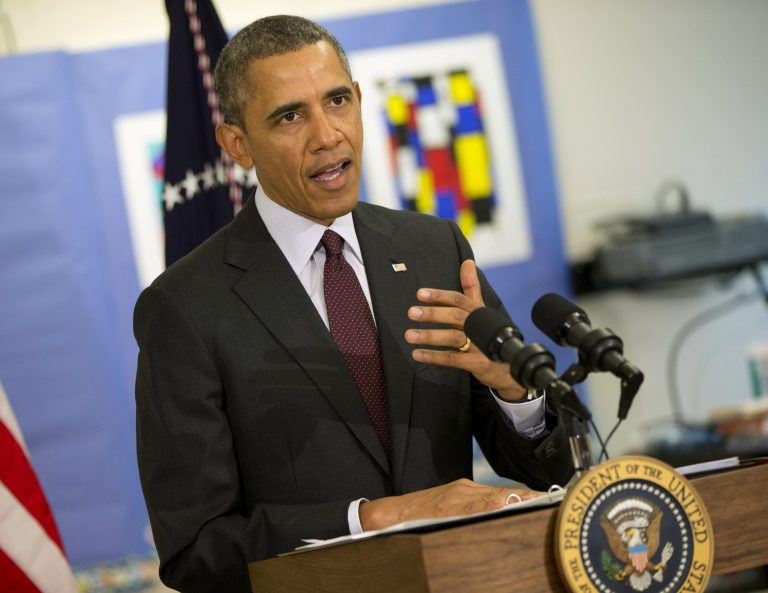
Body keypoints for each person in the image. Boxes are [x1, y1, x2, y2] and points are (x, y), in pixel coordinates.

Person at [134, 14, 573, 593]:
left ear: (360, 100)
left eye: (337, 100)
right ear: (237, 143)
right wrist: (377, 518)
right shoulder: (184, 307)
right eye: (291, 115)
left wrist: (514, 392)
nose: (327, 135)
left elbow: (547, 474)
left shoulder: (433, 249)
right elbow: (196, 550)